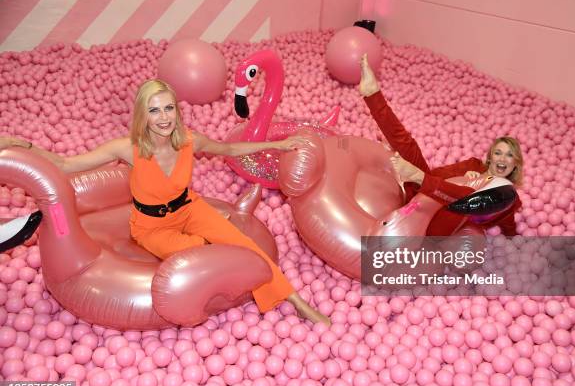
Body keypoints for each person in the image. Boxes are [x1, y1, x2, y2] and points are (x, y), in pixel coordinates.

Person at [0, 79, 330, 325]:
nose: (163, 117)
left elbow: (229, 150)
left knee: (243, 243)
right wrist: (23, 146)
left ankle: (296, 301)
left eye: (169, 108)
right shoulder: (127, 148)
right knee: (199, 254)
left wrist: (283, 143)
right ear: (143, 115)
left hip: (190, 209)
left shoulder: (189, 140)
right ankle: (220, 259)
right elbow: (66, 165)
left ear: (177, 111)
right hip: (151, 227)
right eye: (154, 110)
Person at [359, 54, 523, 236]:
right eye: (498, 152)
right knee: (408, 146)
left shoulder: (507, 197)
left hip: (435, 227)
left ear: (515, 163)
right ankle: (372, 94)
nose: (502, 158)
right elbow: (437, 176)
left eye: (509, 155)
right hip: (422, 197)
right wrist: (464, 177)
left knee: (467, 196)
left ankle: (418, 176)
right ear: (490, 157)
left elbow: (509, 226)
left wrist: (516, 240)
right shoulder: (472, 166)